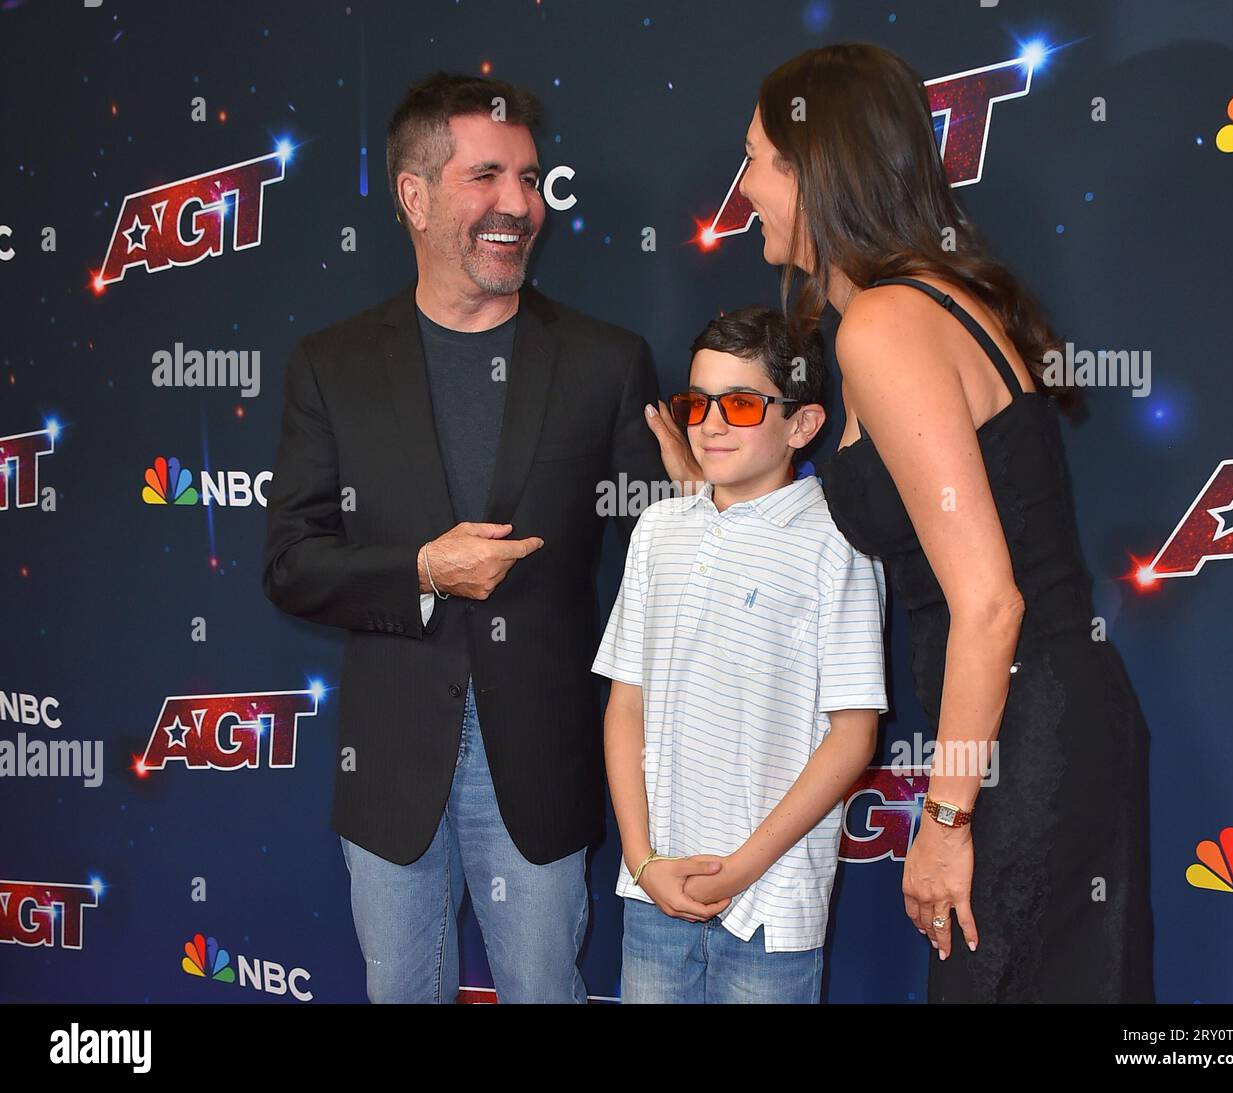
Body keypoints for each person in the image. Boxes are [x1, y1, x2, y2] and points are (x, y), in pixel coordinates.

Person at [644, 42, 1155, 1003]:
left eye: (755, 159)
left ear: (816, 172)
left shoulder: (884, 323)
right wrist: (705, 493)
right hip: (1039, 719)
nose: (742, 186)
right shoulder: (916, 306)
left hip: (1020, 737)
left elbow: (990, 604)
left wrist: (949, 816)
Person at [262, 71, 667, 1003]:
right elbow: (291, 564)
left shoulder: (608, 361)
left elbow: (664, 557)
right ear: (414, 195)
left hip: (542, 759)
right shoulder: (332, 365)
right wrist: (420, 571)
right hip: (391, 766)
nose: (518, 205)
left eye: (528, 179)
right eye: (486, 177)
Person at [595, 306, 889, 1003]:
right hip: (653, 891)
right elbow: (624, 704)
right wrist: (642, 860)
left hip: (774, 903)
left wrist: (740, 870)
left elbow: (853, 734)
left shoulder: (836, 542)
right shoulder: (659, 531)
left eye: (742, 403)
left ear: (803, 424)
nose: (711, 423)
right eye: (697, 402)